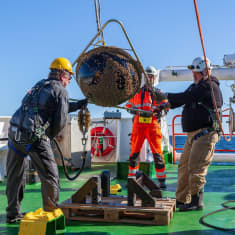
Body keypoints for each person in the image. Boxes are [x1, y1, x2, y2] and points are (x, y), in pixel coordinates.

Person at [6, 57, 88, 223]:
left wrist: (78, 105)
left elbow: (51, 105)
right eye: (69, 77)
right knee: (50, 175)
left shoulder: (40, 85)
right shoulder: (61, 91)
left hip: (15, 132)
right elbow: (60, 120)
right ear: (61, 74)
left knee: (15, 175)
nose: (69, 81)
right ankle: (51, 214)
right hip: (34, 136)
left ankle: (12, 214)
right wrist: (48, 138)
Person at [166, 57, 223, 211]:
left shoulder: (209, 86)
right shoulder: (195, 87)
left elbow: (189, 97)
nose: (194, 75)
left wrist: (165, 94)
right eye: (194, 73)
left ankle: (197, 201)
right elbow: (182, 99)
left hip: (206, 134)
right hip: (193, 135)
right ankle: (182, 199)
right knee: (184, 167)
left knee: (196, 168)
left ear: (205, 71)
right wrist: (166, 103)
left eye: (197, 73)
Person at [126, 66, 169, 188]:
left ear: (154, 78)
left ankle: (162, 181)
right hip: (138, 126)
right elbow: (128, 105)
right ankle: (131, 179)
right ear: (144, 78)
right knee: (134, 153)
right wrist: (133, 110)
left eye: (151, 76)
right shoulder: (136, 93)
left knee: (157, 154)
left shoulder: (159, 93)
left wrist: (161, 111)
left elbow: (166, 106)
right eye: (147, 76)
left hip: (153, 126)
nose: (149, 78)